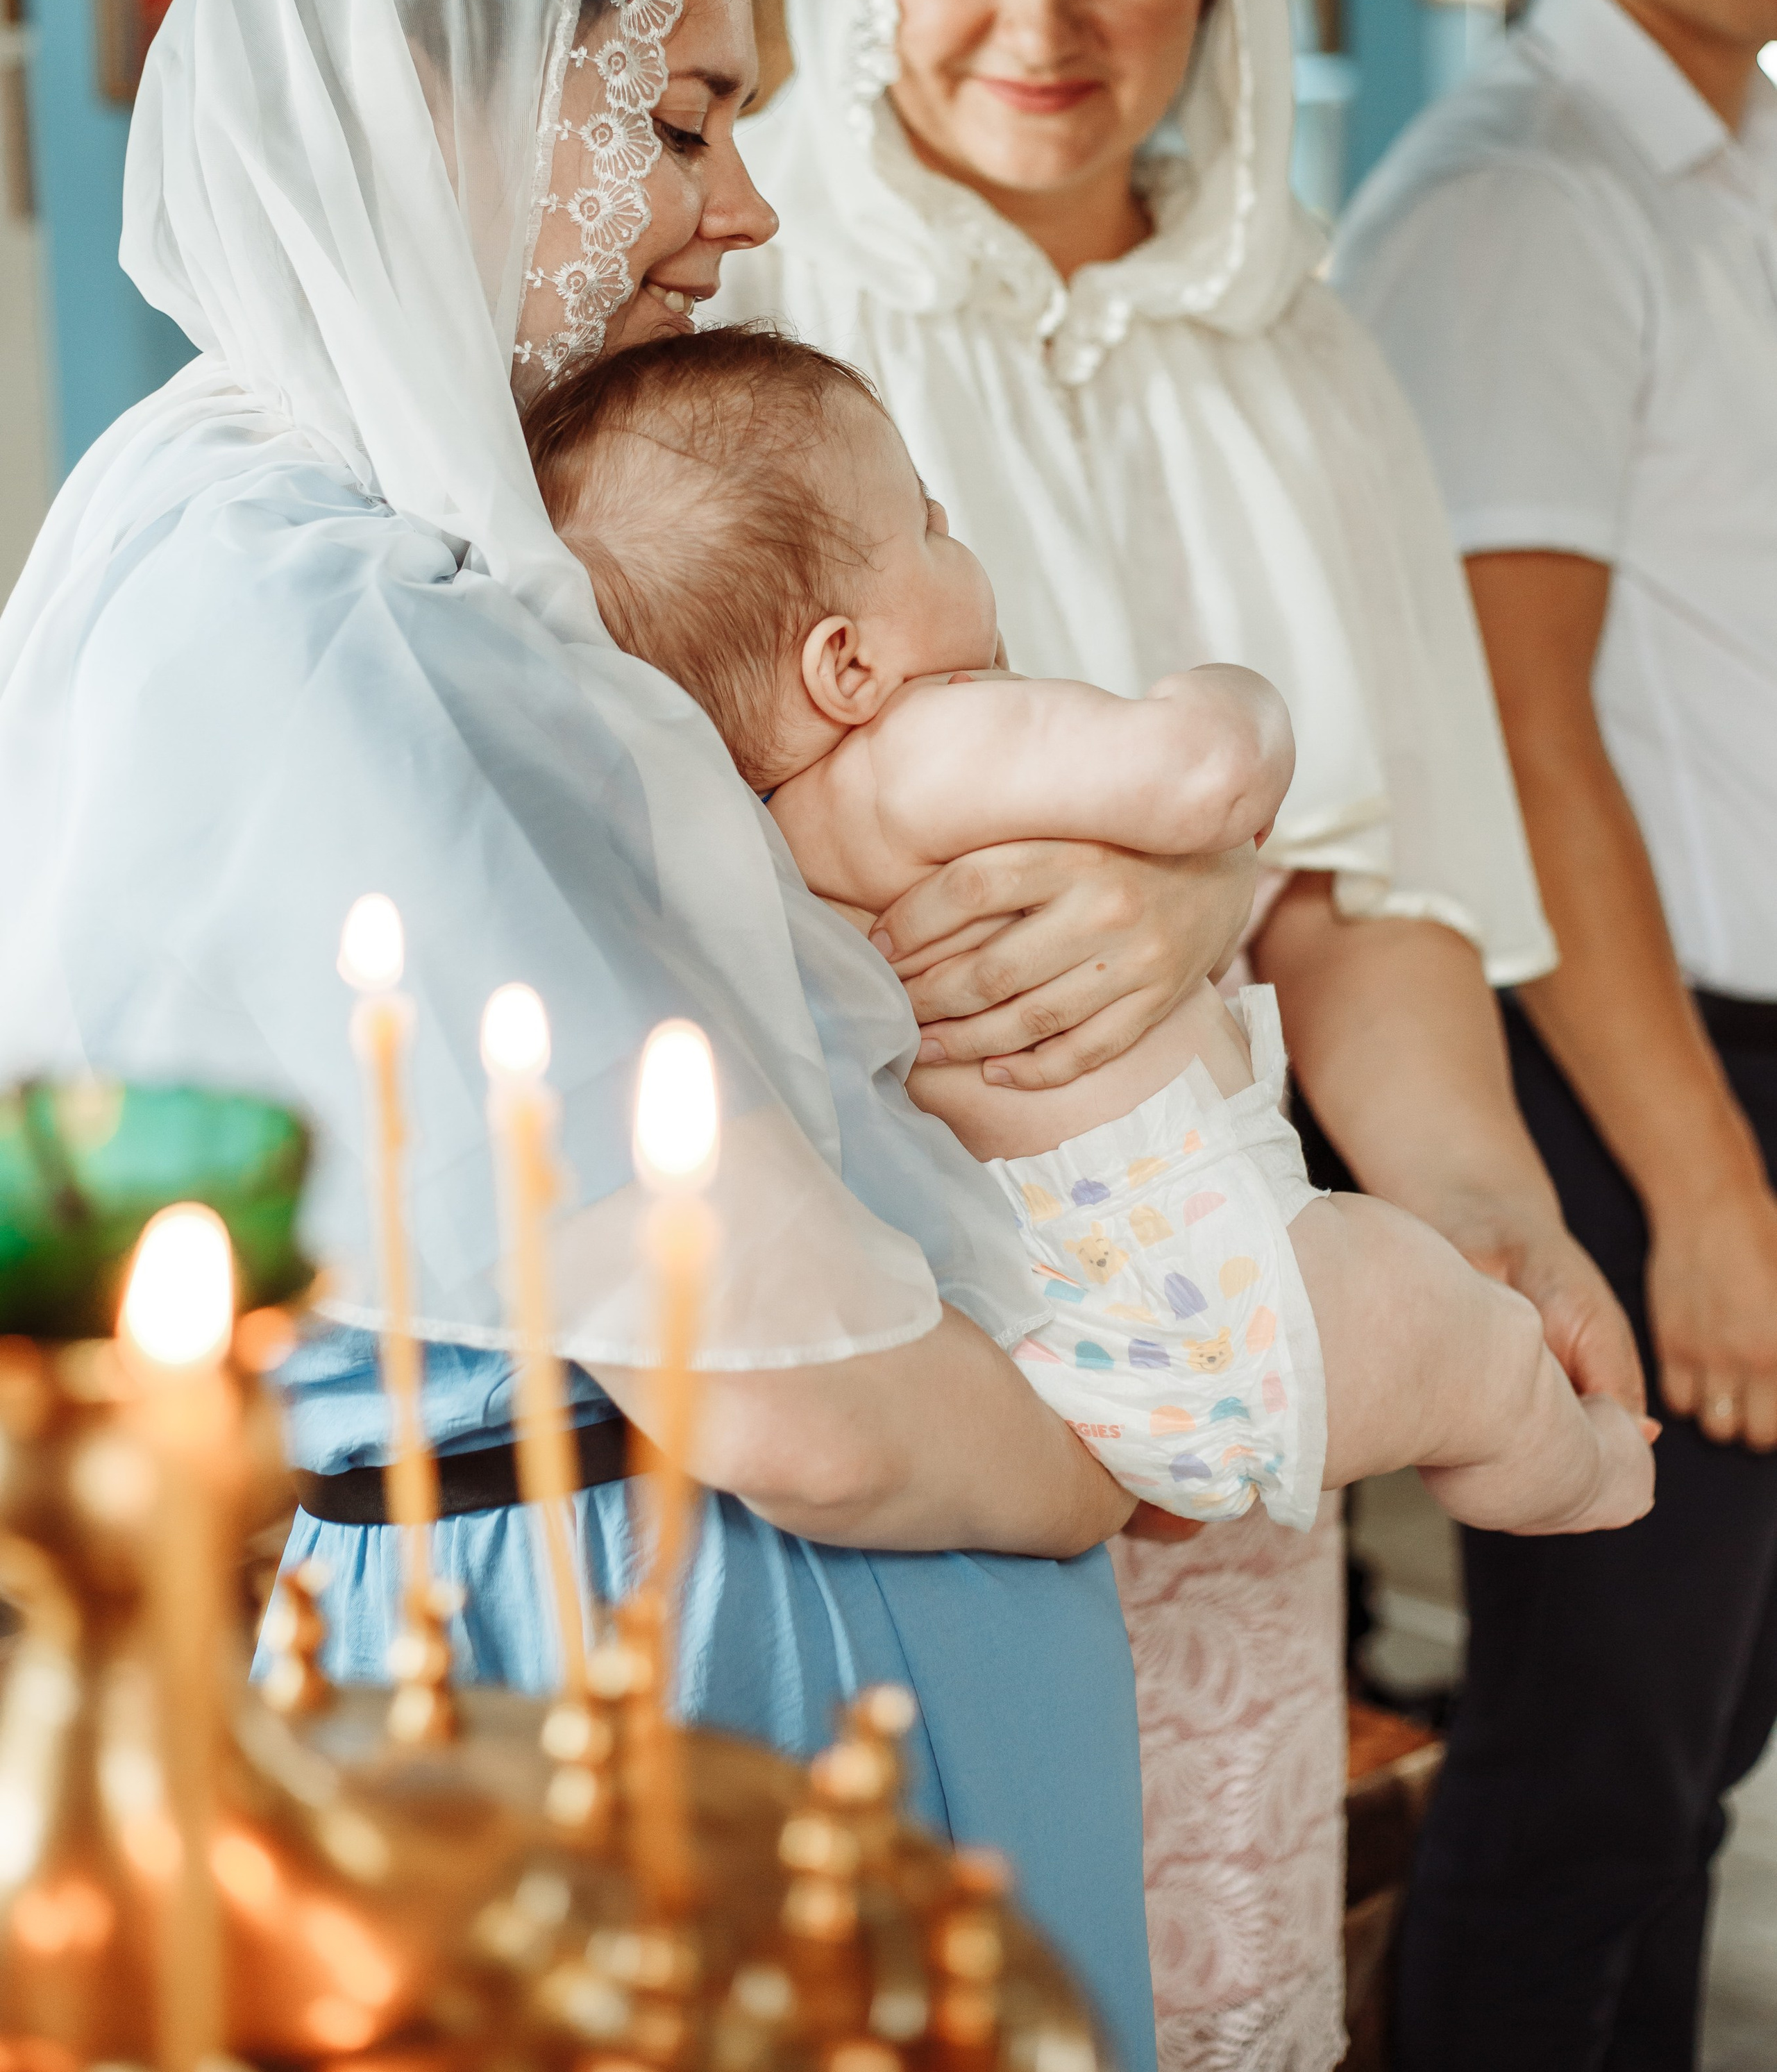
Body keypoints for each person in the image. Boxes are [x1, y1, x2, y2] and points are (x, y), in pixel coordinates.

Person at [0, 0, 1277, 2069]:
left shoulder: (380, 505)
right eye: (682, 125)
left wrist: (1164, 900)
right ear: (442, 102)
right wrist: (1155, 1433)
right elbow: (793, 1396)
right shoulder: (323, 608)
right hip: (658, 1626)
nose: (740, 206)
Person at [712, 0, 1644, 2071]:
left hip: (1202, 1245)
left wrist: (1491, 1221)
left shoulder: (1287, 343)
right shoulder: (745, 303)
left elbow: (1372, 887)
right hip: (877, 1258)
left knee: (1195, 1945)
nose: (1048, 18)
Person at [527, 320, 1656, 1542]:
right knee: (1483, 1359)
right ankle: (1597, 1474)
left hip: (1065, 1354)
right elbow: (1207, 774)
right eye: (927, 528)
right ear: (846, 665)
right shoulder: (926, 747)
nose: (959, 540)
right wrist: (1239, 701)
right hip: (1239, 1270)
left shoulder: (772, 853)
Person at [1336, 0, 1777, 2072]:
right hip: (1626, 1078)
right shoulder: (1522, 194)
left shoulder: (1736, 154)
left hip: (1734, 1067)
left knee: (1693, 1762)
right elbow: (1513, 723)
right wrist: (1699, 1180)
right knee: (1596, 1774)